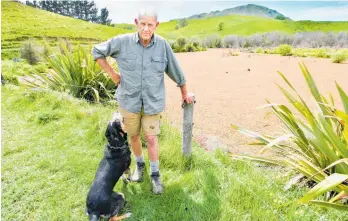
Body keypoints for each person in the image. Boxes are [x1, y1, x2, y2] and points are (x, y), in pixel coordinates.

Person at [91, 7, 193, 194]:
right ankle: (139, 168)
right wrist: (113, 74)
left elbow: (176, 71)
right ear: (136, 23)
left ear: (157, 25)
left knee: (152, 138)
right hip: (128, 102)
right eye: (143, 24)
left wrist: (184, 93)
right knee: (134, 136)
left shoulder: (162, 45)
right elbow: (96, 51)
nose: (146, 29)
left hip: (153, 102)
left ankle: (155, 176)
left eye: (150, 25)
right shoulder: (121, 42)